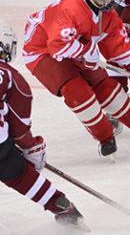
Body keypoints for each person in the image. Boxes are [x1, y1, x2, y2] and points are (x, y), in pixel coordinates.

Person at [23, 0, 130, 157]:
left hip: (77, 45)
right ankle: (106, 137)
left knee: (105, 85)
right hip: (42, 50)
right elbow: (57, 45)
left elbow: (117, 46)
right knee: (76, 90)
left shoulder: (107, 13)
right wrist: (84, 53)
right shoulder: (71, 9)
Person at [0, 19, 86, 229]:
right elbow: (19, 129)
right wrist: (32, 148)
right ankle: (60, 206)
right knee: (19, 174)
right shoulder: (12, 77)